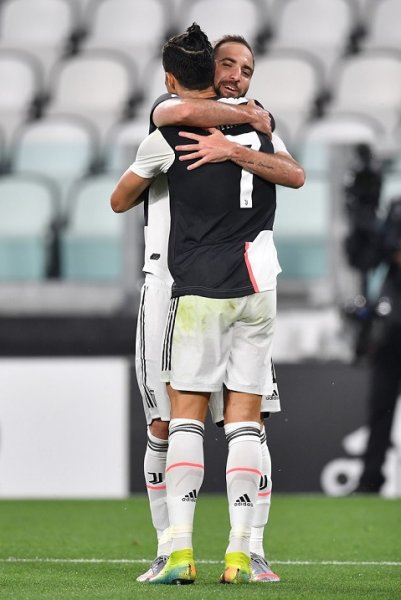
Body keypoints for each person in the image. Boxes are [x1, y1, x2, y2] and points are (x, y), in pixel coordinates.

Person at [111, 23, 304, 584]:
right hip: (169, 281)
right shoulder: (171, 114)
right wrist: (244, 123)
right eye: (227, 65)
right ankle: (169, 545)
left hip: (208, 280)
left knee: (243, 420)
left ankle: (243, 546)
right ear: (203, 71)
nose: (236, 76)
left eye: (245, 69)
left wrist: (242, 129)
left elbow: (293, 174)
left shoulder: (255, 121)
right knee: (163, 422)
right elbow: (176, 115)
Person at [355, 196, 401, 493]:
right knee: (380, 410)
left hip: (390, 329)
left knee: (380, 410)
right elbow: (362, 257)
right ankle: (371, 478)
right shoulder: (392, 211)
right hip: (389, 335)